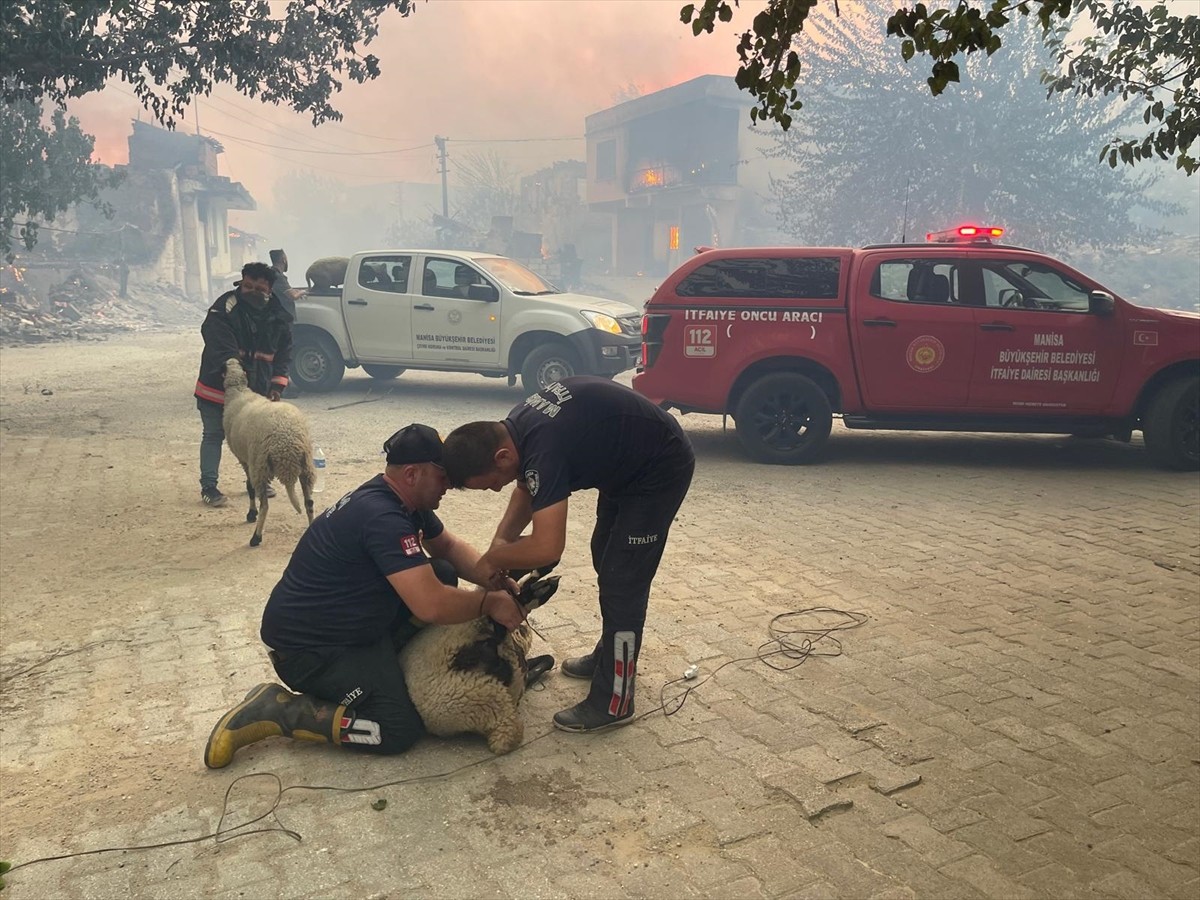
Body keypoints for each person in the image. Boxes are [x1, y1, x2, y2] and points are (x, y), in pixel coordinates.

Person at [203, 424, 527, 769]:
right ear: (412, 474)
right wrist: (488, 603)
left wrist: (493, 579)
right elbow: (431, 605)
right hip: (309, 652)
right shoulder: (382, 517)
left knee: (442, 572)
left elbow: (446, 546)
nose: (450, 484)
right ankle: (278, 709)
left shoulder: (400, 498)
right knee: (396, 728)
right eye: (443, 475)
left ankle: (387, 668)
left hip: (347, 621)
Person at [441, 377, 695, 734]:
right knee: (605, 556)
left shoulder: (543, 448)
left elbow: (548, 547)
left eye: (493, 482)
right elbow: (526, 489)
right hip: (626, 468)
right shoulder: (515, 431)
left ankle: (616, 700)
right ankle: (611, 656)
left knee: (623, 581)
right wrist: (500, 545)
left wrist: (495, 560)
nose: (498, 488)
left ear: (502, 456)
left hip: (658, 470)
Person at [194, 261, 293, 508]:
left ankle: (257, 481)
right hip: (217, 388)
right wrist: (233, 368)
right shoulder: (224, 309)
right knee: (213, 434)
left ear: (269, 290)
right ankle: (209, 487)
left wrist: (277, 385)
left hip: (254, 394)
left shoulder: (278, 316)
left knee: (252, 439)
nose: (253, 292)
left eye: (260, 289)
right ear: (241, 283)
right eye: (248, 286)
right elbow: (219, 343)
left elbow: (284, 354)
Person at [268, 248, 303, 320]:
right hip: (283, 318)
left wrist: (295, 291)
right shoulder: (278, 277)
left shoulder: (270, 273)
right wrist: (303, 292)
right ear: (283, 260)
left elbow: (283, 290)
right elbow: (293, 296)